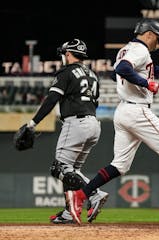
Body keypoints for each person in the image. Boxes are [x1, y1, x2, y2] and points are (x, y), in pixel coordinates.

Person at [65, 19, 159, 224]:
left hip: (122, 111)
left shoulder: (125, 49)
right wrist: (146, 82)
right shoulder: (140, 50)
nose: (158, 41)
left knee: (119, 165)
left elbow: (115, 74)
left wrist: (151, 72)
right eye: (157, 37)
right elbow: (122, 69)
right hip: (137, 110)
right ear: (149, 34)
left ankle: (80, 195)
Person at [19, 39, 108, 224]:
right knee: (71, 170)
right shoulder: (92, 74)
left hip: (75, 123)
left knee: (58, 168)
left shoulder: (67, 72)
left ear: (68, 54)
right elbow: (95, 102)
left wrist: (32, 123)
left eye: (64, 54)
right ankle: (69, 212)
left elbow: (51, 99)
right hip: (93, 124)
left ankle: (94, 193)